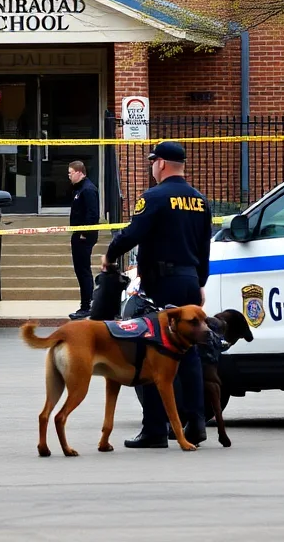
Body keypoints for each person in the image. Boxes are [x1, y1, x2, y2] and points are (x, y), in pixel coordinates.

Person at [102, 140, 212, 448]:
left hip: (161, 284)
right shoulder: (200, 201)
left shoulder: (154, 197)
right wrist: (199, 281)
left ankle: (154, 427)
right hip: (190, 281)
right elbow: (205, 248)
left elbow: (133, 233)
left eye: (153, 162)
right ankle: (196, 421)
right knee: (188, 352)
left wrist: (110, 254)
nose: (152, 167)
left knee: (149, 348)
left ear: (161, 164)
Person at [67, 160, 100, 320]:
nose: (69, 176)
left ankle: (86, 306)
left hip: (84, 237)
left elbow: (93, 214)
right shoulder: (79, 189)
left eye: (70, 172)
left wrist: (84, 233)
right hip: (77, 234)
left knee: (83, 270)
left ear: (80, 172)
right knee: (80, 270)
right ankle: (85, 304)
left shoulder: (88, 189)